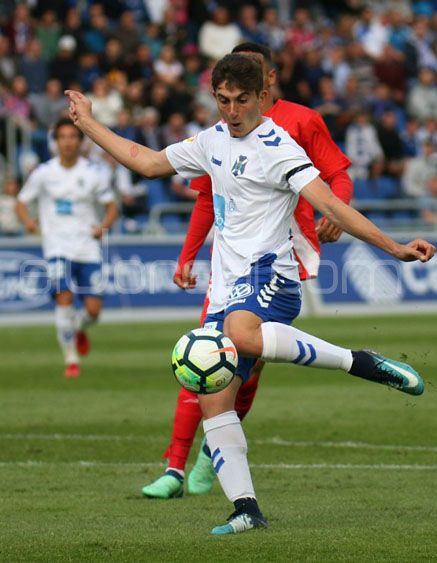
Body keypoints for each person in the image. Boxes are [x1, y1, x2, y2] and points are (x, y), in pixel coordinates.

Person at [66, 54, 435, 535]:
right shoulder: (211, 140)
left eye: (242, 100)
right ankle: (246, 509)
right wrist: (90, 122)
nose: (232, 110)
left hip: (272, 276)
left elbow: (329, 204)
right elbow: (149, 162)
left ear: (262, 96)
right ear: (214, 96)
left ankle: (361, 362)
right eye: (223, 100)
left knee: (242, 332)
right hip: (226, 287)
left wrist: (396, 248)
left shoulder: (278, 147)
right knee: (214, 400)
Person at [141, 42, 358, 501]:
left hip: (282, 253)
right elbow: (206, 195)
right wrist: (188, 254)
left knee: (248, 362)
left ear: (268, 81)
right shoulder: (218, 134)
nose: (236, 95)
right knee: (205, 353)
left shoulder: (299, 123)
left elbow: (336, 176)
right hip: (230, 261)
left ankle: (210, 453)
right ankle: (175, 467)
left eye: (249, 81)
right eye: (227, 89)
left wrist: (337, 212)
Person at [16, 117, 119, 379]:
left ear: (80, 142)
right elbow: (21, 201)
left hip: (88, 248)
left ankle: (78, 327)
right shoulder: (43, 173)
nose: (68, 142)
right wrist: (28, 222)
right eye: (62, 137)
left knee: (94, 311)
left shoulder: (93, 173)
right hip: (56, 247)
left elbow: (111, 206)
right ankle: (71, 359)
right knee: (63, 299)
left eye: (73, 137)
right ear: (55, 142)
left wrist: (103, 227)